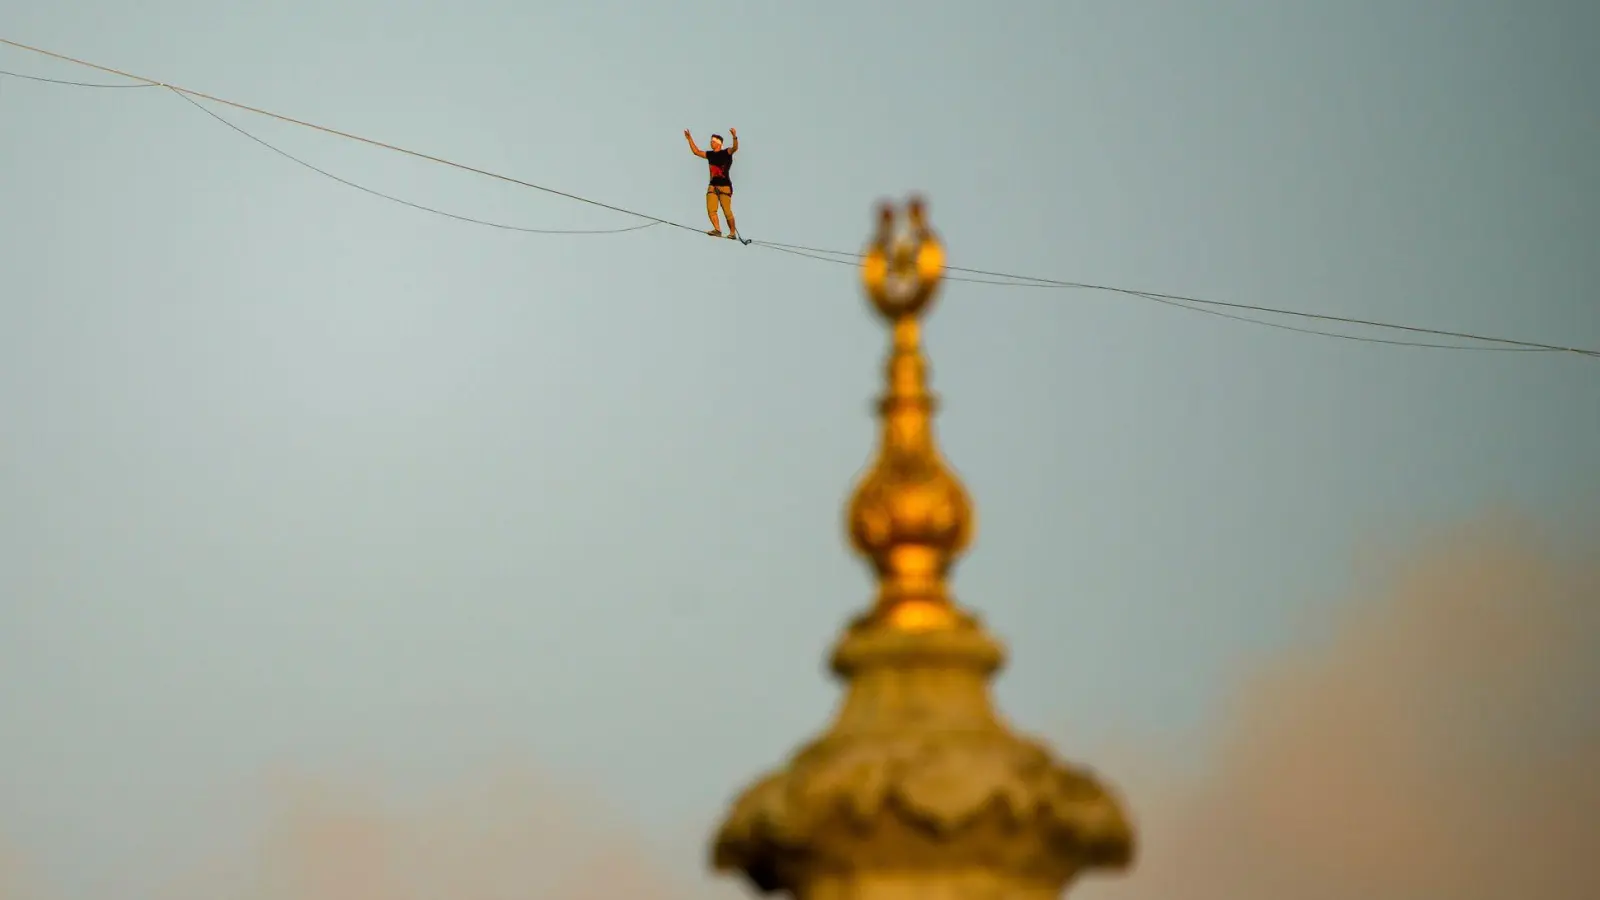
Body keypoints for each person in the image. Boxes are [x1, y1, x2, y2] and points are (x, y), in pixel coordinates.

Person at [684, 128, 740, 239]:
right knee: (711, 209)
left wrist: (734, 136)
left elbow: (735, 148)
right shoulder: (710, 155)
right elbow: (696, 152)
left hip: (725, 186)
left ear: (719, 144)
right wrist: (689, 139)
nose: (711, 143)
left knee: (727, 211)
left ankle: (732, 233)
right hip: (713, 186)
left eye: (713, 142)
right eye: (711, 141)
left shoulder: (726, 152)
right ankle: (717, 229)